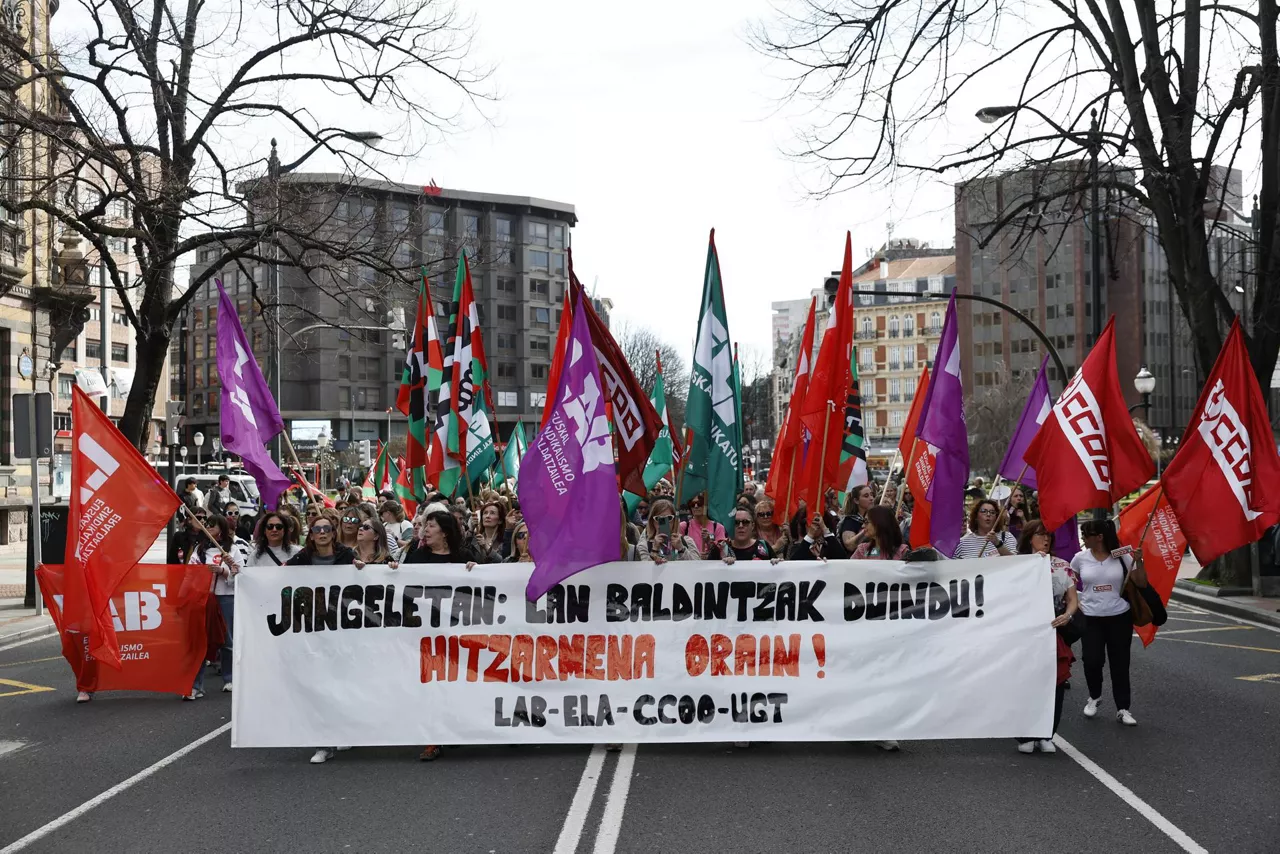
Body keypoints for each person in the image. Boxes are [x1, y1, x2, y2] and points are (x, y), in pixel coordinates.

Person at [1013, 521, 1081, 753]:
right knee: (1024, 682)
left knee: (1055, 682)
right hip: (1023, 633)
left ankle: (1046, 734)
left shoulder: (1062, 566)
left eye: (1048, 535)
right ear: (1029, 537)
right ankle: (1025, 735)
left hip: (1052, 631)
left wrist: (1068, 616)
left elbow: (1072, 599)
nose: (1046, 539)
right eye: (1040, 534)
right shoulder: (1016, 564)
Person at [1073, 518, 1142, 727]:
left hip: (1119, 617)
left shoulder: (1122, 556)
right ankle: (1094, 697)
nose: (1083, 539)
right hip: (1091, 617)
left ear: (1099, 537)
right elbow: (1070, 581)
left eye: (1086, 535)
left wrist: (1140, 561)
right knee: (1092, 660)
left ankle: (1123, 708)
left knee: (1120, 664)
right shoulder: (1079, 558)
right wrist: (1077, 599)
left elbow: (1141, 582)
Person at [184, 514, 250, 701]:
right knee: (201, 640)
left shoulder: (232, 550)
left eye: (212, 525)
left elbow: (241, 574)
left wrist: (224, 570)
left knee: (227, 639)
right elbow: (190, 572)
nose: (209, 528)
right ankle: (196, 686)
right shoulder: (200, 549)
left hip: (226, 598)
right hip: (204, 598)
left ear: (221, 528)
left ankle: (229, 678)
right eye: (207, 525)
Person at [287, 510, 357, 567]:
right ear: (311, 536)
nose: (322, 532)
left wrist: (360, 566)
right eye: (317, 529)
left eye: (326, 528)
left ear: (333, 534)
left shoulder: (347, 555)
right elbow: (283, 570)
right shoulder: (301, 557)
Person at [952, 499, 1017, 559]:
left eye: (992, 512)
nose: (988, 514)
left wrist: (997, 544)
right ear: (976, 517)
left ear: (996, 518)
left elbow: (1015, 562)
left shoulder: (1007, 537)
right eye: (983, 511)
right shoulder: (961, 543)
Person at [680, 493, 726, 558]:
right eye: (692, 504)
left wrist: (709, 542)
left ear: (706, 505)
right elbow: (678, 550)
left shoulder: (718, 527)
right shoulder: (683, 527)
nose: (696, 506)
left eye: (699, 503)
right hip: (690, 566)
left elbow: (723, 552)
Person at [839, 484, 876, 553]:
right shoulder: (850, 522)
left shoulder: (875, 519)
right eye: (866, 496)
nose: (871, 498)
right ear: (856, 501)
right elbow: (850, 546)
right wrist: (867, 529)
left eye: (871, 494)